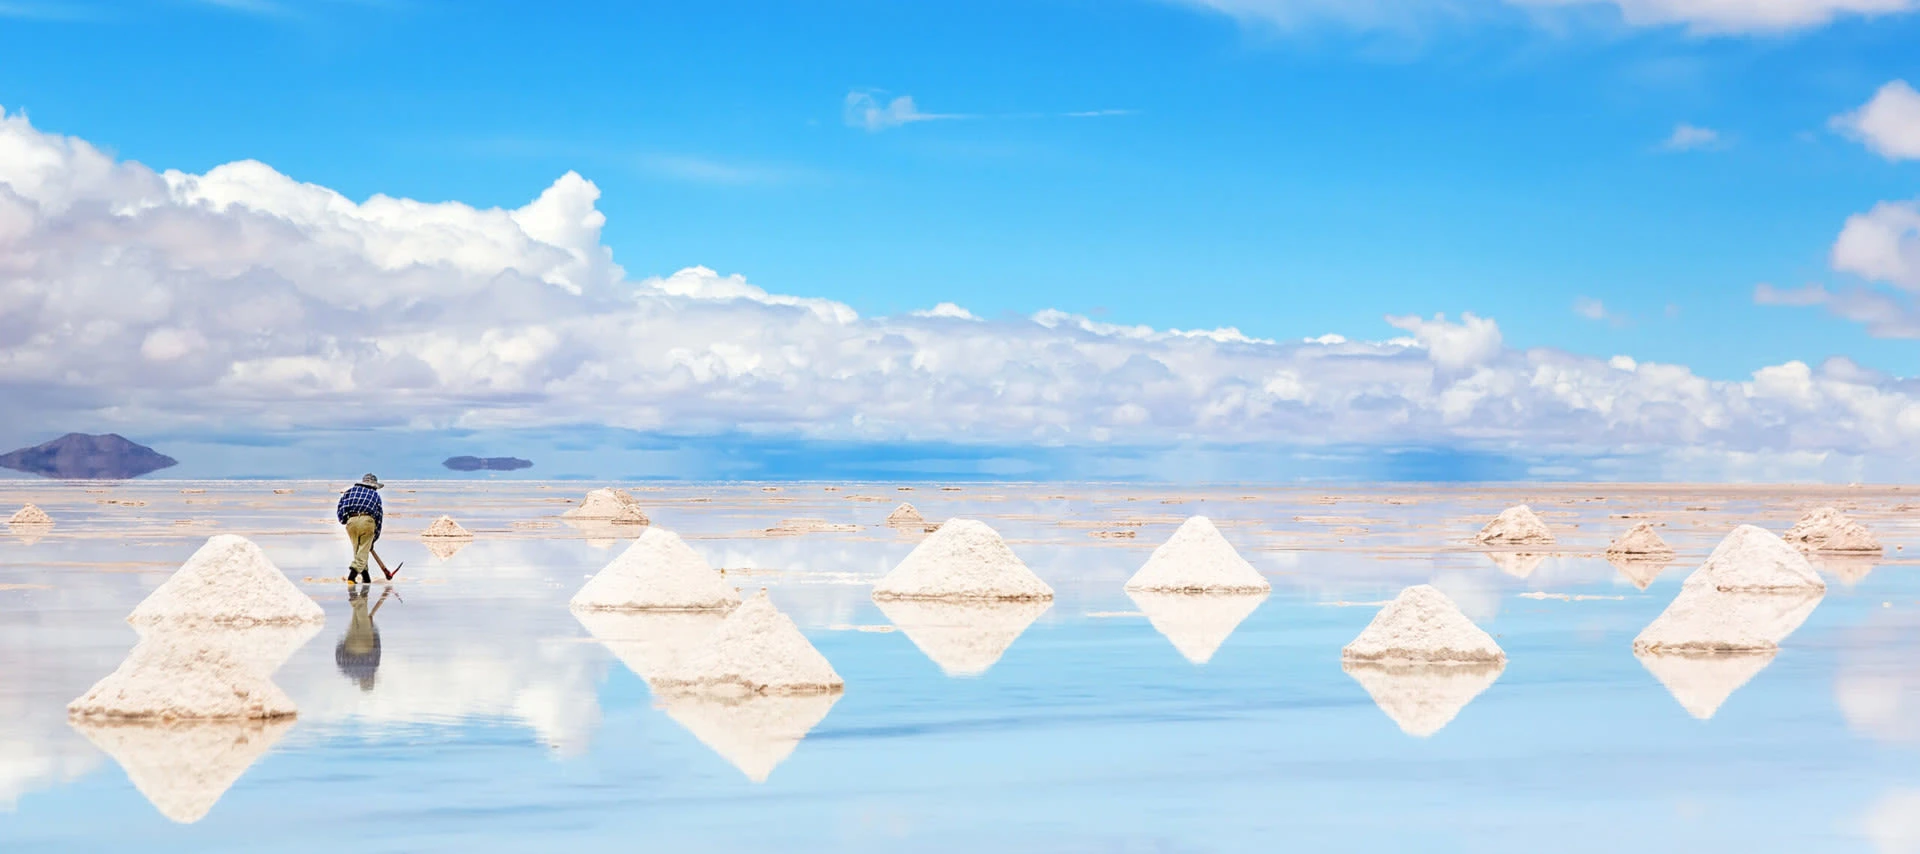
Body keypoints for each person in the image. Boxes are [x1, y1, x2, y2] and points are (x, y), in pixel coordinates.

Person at [336, 472, 385, 583]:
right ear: (374, 486)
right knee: (362, 552)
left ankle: (366, 578)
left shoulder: (350, 492)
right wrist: (374, 537)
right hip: (367, 522)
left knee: (358, 552)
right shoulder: (375, 495)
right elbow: (379, 517)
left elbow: (341, 507)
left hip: (351, 522)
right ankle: (352, 576)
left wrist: (344, 520)